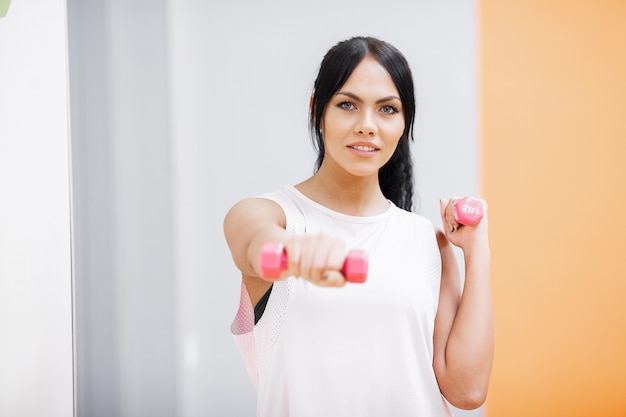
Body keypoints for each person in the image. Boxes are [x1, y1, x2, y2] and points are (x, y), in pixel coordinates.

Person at [224, 36, 493, 416]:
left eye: (387, 109)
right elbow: (258, 246)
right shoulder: (271, 214)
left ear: (404, 122)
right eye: (348, 105)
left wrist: (478, 251)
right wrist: (292, 255)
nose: (367, 126)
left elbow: (467, 391)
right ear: (318, 110)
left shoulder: (426, 241)